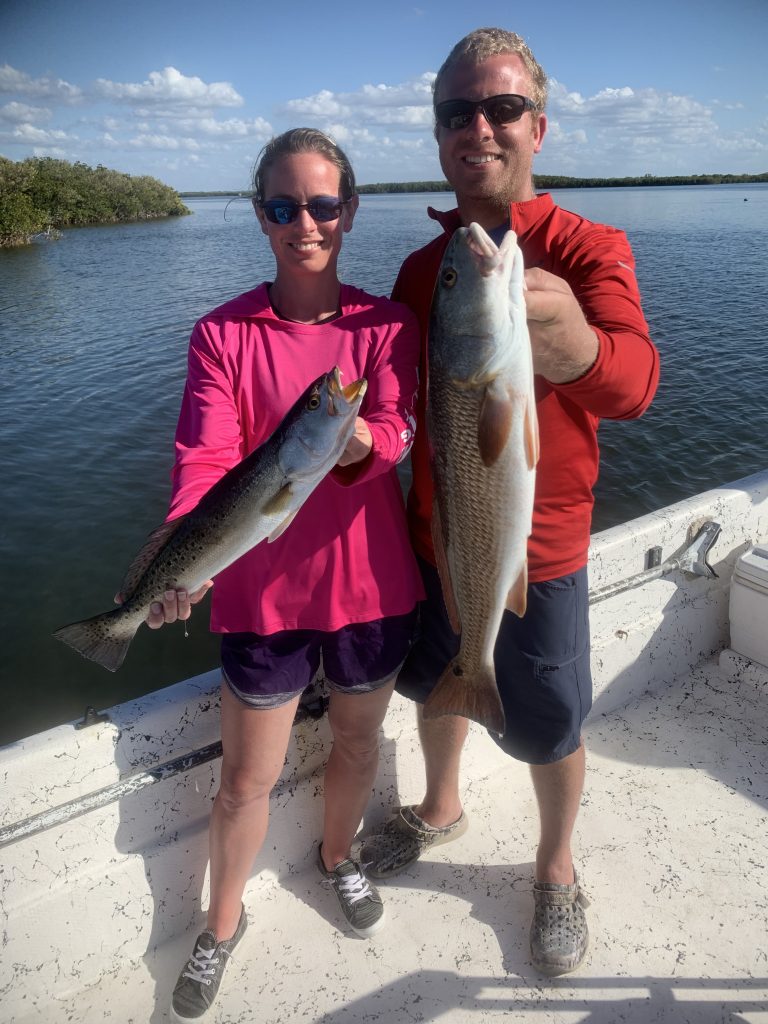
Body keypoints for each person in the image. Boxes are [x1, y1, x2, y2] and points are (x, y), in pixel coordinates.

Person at [360, 28, 660, 977]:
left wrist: (571, 341)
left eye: (500, 109)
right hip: (434, 535)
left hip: (545, 546)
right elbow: (398, 408)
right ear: (440, 134)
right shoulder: (426, 270)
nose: (478, 128)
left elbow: (636, 383)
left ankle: (557, 866)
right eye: (458, 113)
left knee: (549, 722)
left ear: (538, 125)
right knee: (436, 688)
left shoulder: (588, 248)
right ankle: (442, 806)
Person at [151, 128, 423, 1022]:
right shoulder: (221, 332)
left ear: (349, 211)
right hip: (259, 593)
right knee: (243, 782)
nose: (304, 222)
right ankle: (219, 928)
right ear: (260, 215)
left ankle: (336, 859)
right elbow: (205, 459)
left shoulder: (386, 325)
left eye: (322, 204)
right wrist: (180, 558)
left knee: (356, 744)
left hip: (371, 589)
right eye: (282, 206)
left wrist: (366, 444)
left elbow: (400, 427)